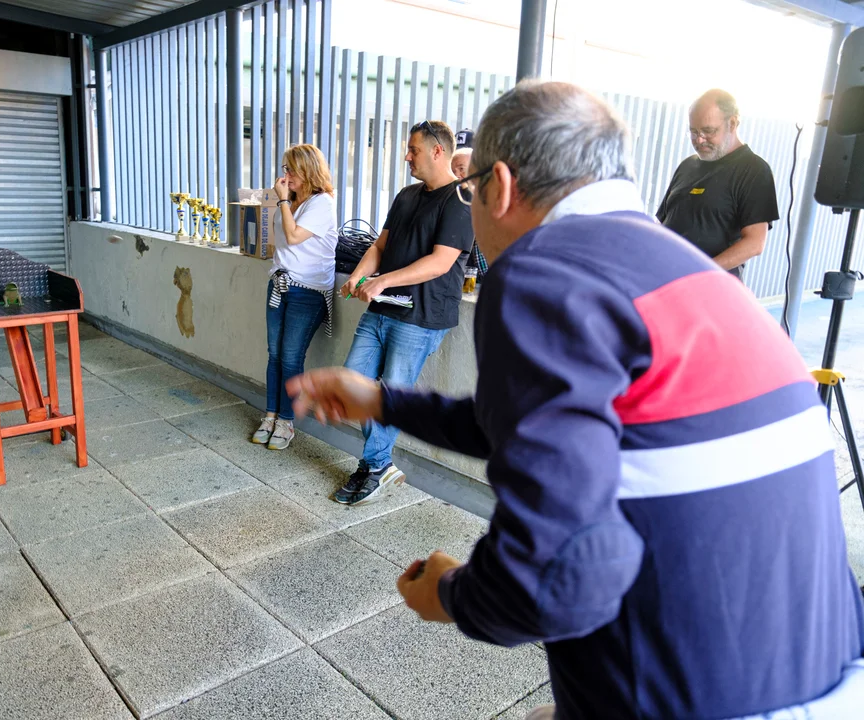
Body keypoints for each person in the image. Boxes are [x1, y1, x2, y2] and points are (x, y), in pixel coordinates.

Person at [288, 81, 864, 719]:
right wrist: (384, 403)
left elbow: (559, 573)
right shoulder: (702, 277)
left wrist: (450, 594)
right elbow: (530, 429)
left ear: (500, 185)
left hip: (693, 695)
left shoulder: (544, 272)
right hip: (827, 671)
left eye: (471, 190)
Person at [335, 120, 474, 505]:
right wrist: (360, 275)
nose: (407, 156)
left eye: (413, 149)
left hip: (421, 317)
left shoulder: (461, 200)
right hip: (382, 308)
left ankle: (374, 466)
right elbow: (380, 246)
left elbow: (440, 262)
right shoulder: (407, 195)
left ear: (437, 151)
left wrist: (383, 281)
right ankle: (379, 463)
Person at [251, 144, 338, 451]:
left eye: (291, 169)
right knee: (274, 354)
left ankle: (286, 421)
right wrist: (286, 201)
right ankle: (270, 415)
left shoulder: (322, 203)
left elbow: (294, 236)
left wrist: (283, 200)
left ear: (308, 170)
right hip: (280, 284)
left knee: (290, 357)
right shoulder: (293, 200)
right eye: (284, 168)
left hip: (308, 291)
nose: (285, 174)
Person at [656, 89, 779, 280]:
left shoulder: (754, 170)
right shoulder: (687, 165)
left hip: (711, 285)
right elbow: (663, 222)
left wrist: (699, 273)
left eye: (708, 131)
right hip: (666, 280)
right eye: (694, 132)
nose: (699, 140)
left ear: (732, 123)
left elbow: (755, 243)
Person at [451, 130, 488, 282]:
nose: (457, 176)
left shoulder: (487, 206)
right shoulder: (448, 202)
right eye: (452, 170)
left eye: (462, 169)